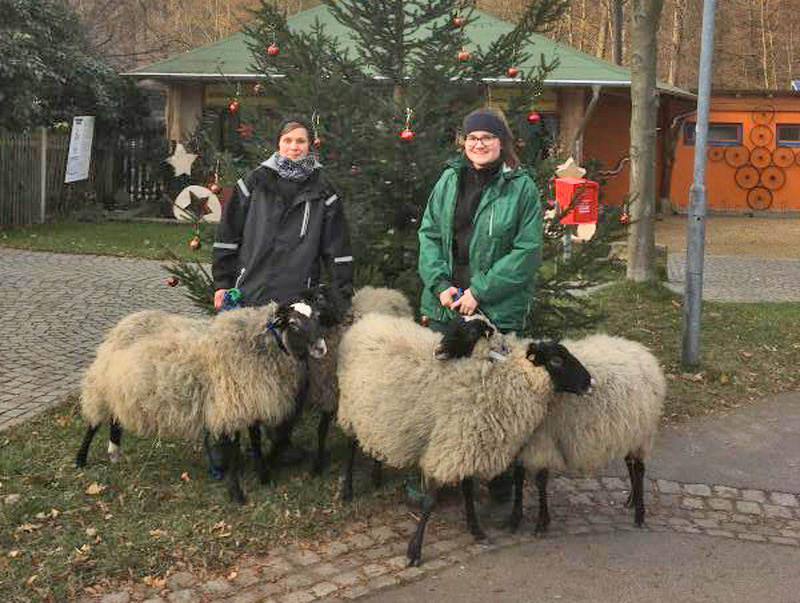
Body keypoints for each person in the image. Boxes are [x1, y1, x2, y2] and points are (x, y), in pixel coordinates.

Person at [209, 115, 354, 475]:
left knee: (290, 375)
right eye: (288, 141)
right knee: (235, 371)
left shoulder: (324, 193)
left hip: (294, 300)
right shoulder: (252, 185)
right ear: (278, 144)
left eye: (301, 142)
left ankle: (281, 441)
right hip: (250, 292)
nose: (294, 147)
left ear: (310, 146)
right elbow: (228, 237)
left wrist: (341, 295)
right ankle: (224, 443)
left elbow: (337, 250)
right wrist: (223, 283)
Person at [417, 107, 543, 501]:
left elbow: (527, 250)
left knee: (495, 395)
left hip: (495, 307)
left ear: (501, 142)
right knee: (444, 392)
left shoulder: (521, 189)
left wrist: (480, 291)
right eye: (473, 138)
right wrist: (440, 283)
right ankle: (437, 476)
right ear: (464, 142)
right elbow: (430, 234)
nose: (479, 143)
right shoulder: (449, 180)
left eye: (487, 137)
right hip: (447, 304)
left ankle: (498, 473)